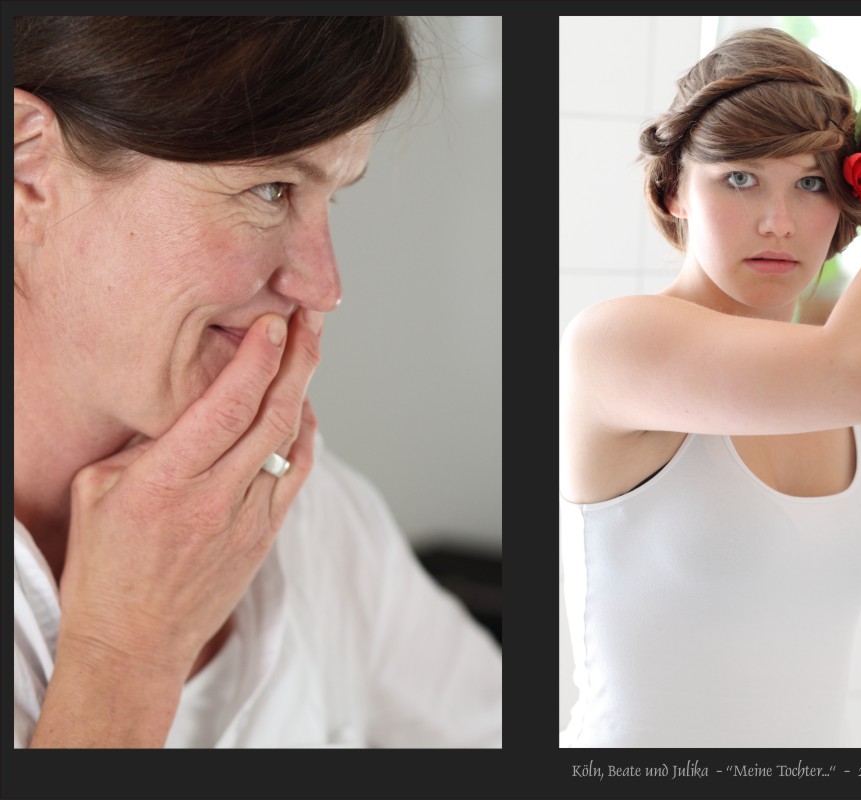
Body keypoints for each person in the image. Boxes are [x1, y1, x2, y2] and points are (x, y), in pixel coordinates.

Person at [14, 16, 501, 748]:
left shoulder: (306, 508)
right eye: (271, 189)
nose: (324, 285)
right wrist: (126, 656)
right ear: (28, 168)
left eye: (327, 199)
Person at [559, 27, 861, 748]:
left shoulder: (838, 378)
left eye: (811, 184)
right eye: (740, 178)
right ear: (672, 192)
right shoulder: (616, 345)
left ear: (850, 203)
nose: (778, 223)